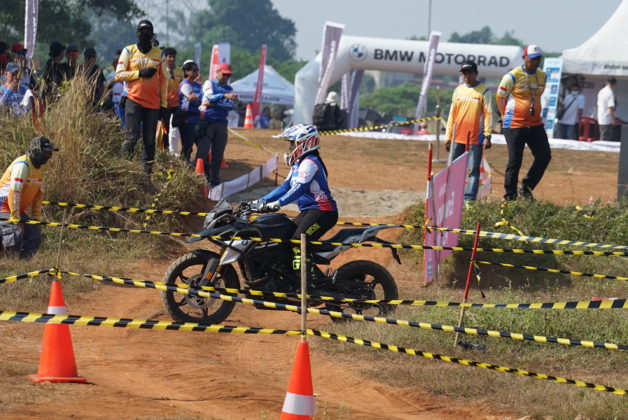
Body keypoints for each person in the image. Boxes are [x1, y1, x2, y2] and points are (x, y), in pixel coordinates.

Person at [254, 124, 338, 279]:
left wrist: (278, 203)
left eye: (293, 143)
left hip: (323, 211)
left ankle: (309, 281)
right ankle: (291, 278)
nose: (291, 147)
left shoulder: (310, 162)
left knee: (298, 240)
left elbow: (299, 188)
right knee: (285, 238)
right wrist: (260, 201)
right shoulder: (299, 163)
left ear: (305, 143)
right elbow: (285, 187)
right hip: (309, 210)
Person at [496, 44, 550, 201]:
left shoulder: (542, 75)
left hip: (535, 123)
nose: (535, 62)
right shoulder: (512, 76)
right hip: (515, 124)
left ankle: (526, 188)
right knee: (515, 161)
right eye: (532, 59)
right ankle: (510, 196)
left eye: (538, 59)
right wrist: (505, 116)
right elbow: (500, 97)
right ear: (524, 58)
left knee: (544, 156)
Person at [115, 19, 168, 174]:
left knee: (149, 141)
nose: (145, 34)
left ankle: (146, 176)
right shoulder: (128, 51)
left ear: (152, 34)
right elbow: (119, 75)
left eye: (148, 31)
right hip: (133, 100)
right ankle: (125, 172)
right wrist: (139, 73)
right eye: (142, 31)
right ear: (137, 33)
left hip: (153, 105)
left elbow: (164, 81)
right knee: (131, 138)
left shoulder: (159, 54)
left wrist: (164, 105)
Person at [0, 136, 59, 260]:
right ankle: (9, 261)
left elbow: (38, 195)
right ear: (36, 150)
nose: (48, 156)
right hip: (3, 205)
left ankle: (21, 264)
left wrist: (36, 219)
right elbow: (14, 192)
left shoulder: (41, 169)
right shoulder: (22, 165)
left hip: (17, 209)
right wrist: (16, 218)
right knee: (15, 233)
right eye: (45, 152)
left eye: (50, 153)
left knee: (34, 236)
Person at [444, 60, 493, 202]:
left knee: (473, 170)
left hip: (475, 138)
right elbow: (452, 114)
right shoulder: (458, 90)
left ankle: (469, 200)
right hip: (457, 137)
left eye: (469, 72)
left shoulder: (484, 91)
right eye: (464, 73)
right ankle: (452, 196)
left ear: (476, 73)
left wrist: (487, 136)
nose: (466, 76)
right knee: (454, 169)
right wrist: (448, 136)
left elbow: (488, 114)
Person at [197, 62, 237, 186]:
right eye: (224, 74)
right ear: (218, 72)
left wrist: (215, 103)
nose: (226, 77)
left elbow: (230, 106)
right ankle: (201, 177)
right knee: (202, 152)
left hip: (221, 123)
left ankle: (214, 179)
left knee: (218, 153)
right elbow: (209, 98)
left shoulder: (230, 89)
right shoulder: (209, 83)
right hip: (207, 121)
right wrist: (224, 96)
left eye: (228, 75)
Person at [177, 60, 202, 162]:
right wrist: (200, 98)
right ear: (187, 72)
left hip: (197, 117)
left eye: (197, 70)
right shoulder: (185, 84)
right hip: (186, 118)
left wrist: (199, 98)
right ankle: (183, 164)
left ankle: (198, 164)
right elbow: (193, 98)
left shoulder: (198, 85)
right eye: (194, 70)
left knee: (200, 143)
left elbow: (201, 98)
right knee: (188, 144)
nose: (197, 72)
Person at [162, 47, 182, 149]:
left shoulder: (179, 71)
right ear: (165, 57)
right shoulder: (161, 70)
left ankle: (174, 150)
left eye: (173, 57)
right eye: (169, 57)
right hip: (164, 105)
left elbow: (182, 87)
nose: (172, 59)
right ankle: (165, 149)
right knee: (165, 128)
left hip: (176, 105)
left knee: (175, 128)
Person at [597, 77, 617, 141]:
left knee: (603, 135)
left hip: (601, 116)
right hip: (607, 118)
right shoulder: (610, 92)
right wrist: (613, 119)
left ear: (607, 82)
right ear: (614, 84)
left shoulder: (601, 91)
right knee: (606, 137)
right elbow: (610, 107)